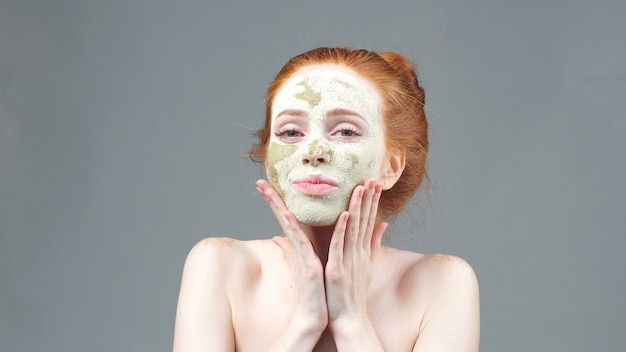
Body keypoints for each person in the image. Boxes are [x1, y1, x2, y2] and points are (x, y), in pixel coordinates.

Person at [173, 47, 480, 351]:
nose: (313, 151)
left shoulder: (442, 284)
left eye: (346, 132)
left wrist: (351, 321)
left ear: (392, 166)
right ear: (268, 159)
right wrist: (304, 323)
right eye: (291, 132)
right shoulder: (220, 266)